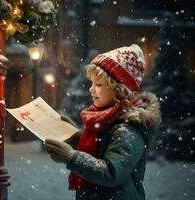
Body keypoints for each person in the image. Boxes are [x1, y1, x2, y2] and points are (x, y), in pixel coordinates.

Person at [44, 44, 161, 200]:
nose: (91, 89)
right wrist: (75, 137)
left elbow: (111, 173)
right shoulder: (110, 120)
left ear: (119, 89)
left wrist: (72, 157)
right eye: (92, 83)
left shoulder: (128, 129)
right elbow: (101, 147)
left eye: (98, 84)